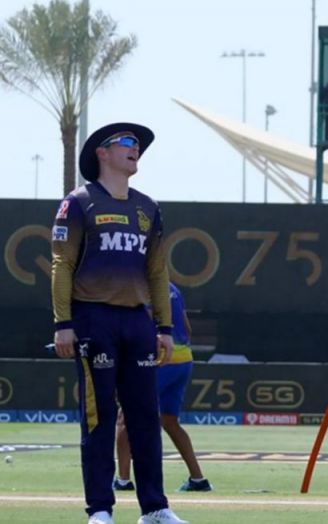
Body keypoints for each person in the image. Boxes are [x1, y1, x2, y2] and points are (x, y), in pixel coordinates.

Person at [51, 122, 188, 524]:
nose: (136, 149)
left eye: (139, 145)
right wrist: (63, 322)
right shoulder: (78, 203)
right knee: (100, 418)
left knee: (146, 415)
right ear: (102, 153)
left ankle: (155, 508)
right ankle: (99, 509)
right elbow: (61, 264)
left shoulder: (148, 207)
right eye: (127, 143)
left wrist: (163, 328)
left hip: (137, 321)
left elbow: (158, 271)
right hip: (93, 318)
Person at [114, 282, 213, 493]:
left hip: (159, 361)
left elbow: (146, 326)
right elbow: (187, 329)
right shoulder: (173, 288)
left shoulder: (142, 288)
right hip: (184, 359)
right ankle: (198, 479)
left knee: (124, 417)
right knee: (169, 421)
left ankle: (122, 480)